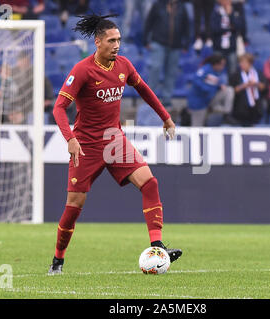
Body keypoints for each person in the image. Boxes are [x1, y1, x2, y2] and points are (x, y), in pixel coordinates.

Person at [49, 14, 182, 274]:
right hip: (86, 145)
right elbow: (59, 108)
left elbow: (144, 89)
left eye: (119, 40)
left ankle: (157, 247)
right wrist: (71, 139)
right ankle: (58, 260)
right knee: (74, 205)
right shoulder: (82, 70)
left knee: (150, 182)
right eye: (111, 40)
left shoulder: (123, 65)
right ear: (98, 42)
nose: (117, 45)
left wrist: (165, 118)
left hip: (114, 140)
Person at [143, 0, 191, 108]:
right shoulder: (158, 5)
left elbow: (186, 26)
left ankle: (167, 99)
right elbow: (149, 22)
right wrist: (145, 40)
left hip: (176, 45)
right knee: (155, 68)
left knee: (171, 73)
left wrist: (186, 43)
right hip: (158, 42)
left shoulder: (182, 7)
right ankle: (151, 98)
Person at [187, 53, 233, 126]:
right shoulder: (205, 69)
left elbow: (215, 83)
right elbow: (196, 80)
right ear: (216, 64)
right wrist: (207, 89)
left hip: (209, 100)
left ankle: (226, 112)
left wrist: (219, 86)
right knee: (196, 128)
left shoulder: (218, 72)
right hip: (199, 103)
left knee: (229, 90)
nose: (223, 67)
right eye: (222, 64)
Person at [227, 53, 266, 126]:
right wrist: (244, 85)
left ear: (250, 63)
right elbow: (232, 90)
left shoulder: (258, 74)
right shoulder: (236, 75)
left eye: (244, 62)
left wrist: (256, 84)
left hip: (256, 106)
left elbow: (264, 87)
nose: (242, 64)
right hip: (240, 106)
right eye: (240, 62)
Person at [210, 0, 247, 76]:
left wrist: (230, 15)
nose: (227, 1)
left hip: (231, 48)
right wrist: (229, 29)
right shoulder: (216, 11)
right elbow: (214, 29)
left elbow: (239, 27)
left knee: (233, 71)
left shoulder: (235, 11)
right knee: (217, 71)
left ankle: (231, 86)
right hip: (218, 47)